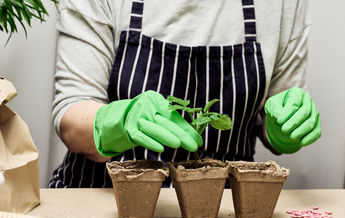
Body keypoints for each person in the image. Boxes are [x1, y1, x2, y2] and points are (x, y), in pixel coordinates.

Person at [49, 0, 321, 188]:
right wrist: (117, 123)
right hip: (105, 203)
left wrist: (283, 129)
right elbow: (71, 119)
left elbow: (277, 111)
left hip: (222, 210)